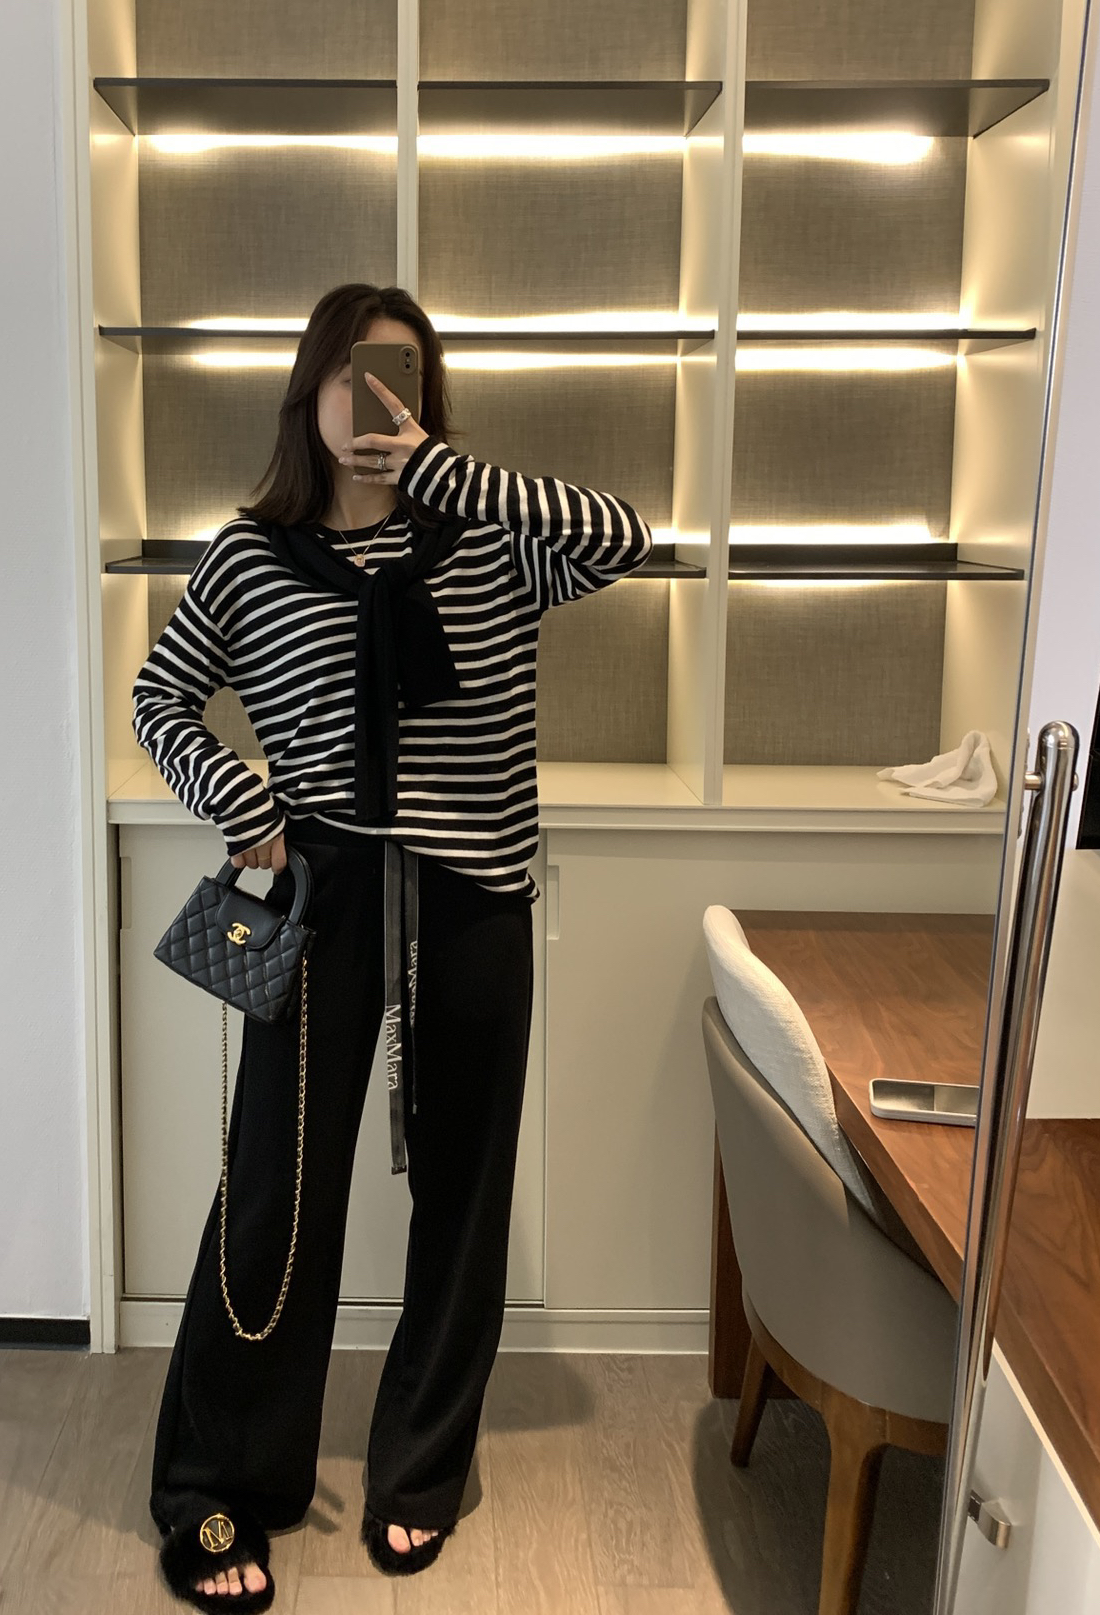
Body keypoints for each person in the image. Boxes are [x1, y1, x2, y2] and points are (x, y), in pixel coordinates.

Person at [133, 281, 653, 1609]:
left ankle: (422, 1468)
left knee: (464, 1193)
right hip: (324, 890)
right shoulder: (250, 557)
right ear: (308, 388)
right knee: (276, 1187)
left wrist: (442, 473)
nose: (374, 399)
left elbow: (624, 537)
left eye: (401, 376)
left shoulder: (488, 536)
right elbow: (161, 697)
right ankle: (216, 1479)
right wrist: (240, 802)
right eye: (353, 374)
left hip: (473, 894)